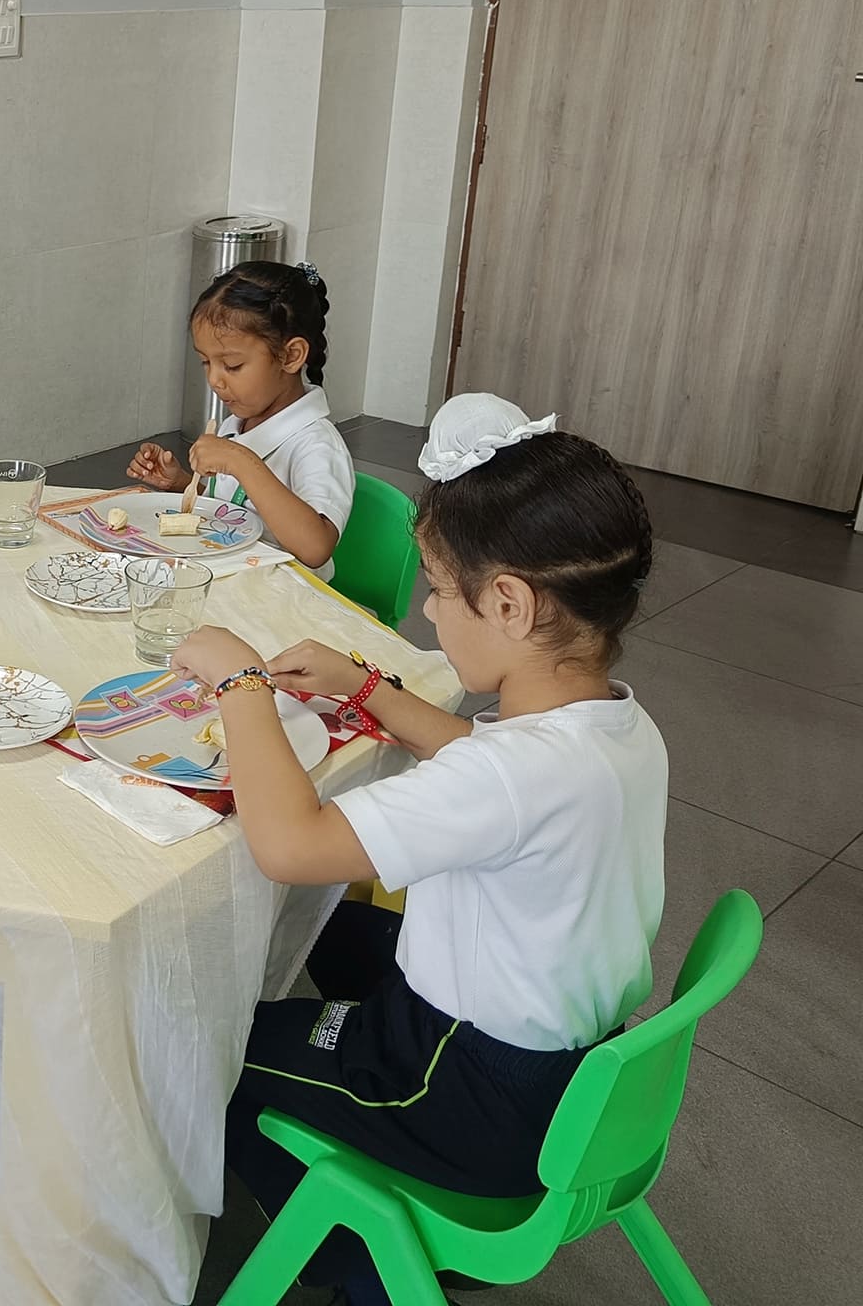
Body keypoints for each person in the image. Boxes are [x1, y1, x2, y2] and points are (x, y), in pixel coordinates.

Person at [170, 394, 665, 1306]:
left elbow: (289, 845)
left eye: (438, 589)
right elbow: (488, 764)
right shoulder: (618, 728)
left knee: (208, 1050)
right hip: (564, 1068)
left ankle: (368, 1262)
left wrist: (240, 682)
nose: (431, 612)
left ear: (508, 603)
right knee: (326, 929)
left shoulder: (509, 778)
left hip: (461, 1091)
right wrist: (369, 690)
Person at [129, 260, 354, 574]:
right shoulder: (235, 425)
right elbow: (233, 512)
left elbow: (315, 548)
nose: (214, 380)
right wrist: (180, 483)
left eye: (232, 365)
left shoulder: (316, 445)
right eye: (206, 362)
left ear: (290, 356)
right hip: (232, 578)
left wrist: (240, 461)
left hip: (286, 595)